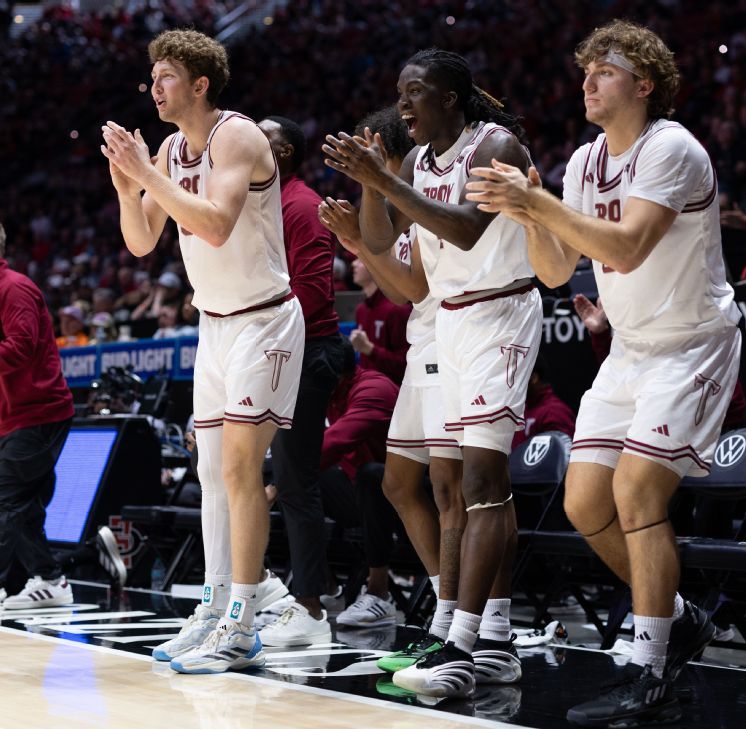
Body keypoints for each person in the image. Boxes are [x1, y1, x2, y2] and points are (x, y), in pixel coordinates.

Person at [467, 21, 741, 723]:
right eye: (584, 71)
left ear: (644, 83)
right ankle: (677, 618)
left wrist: (541, 205)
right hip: (629, 351)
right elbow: (559, 269)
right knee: (587, 504)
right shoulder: (584, 163)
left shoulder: (672, 147)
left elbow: (628, 244)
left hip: (690, 344)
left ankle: (649, 667)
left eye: (606, 71)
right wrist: (533, 217)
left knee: (638, 494)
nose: (588, 82)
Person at [325, 49, 539, 698]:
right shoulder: (418, 162)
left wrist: (382, 183)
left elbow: (470, 231)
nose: (404, 105)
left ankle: (462, 645)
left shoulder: (494, 144)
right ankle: (493, 639)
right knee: (459, 483)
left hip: (500, 313)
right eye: (400, 91)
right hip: (450, 321)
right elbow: (403, 268)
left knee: (478, 479)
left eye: (416, 92)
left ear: (451, 98)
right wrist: (369, 205)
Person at [102, 29, 304, 674]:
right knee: (213, 478)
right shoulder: (167, 147)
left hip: (264, 322)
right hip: (213, 327)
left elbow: (215, 226)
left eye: (164, 77)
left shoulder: (238, 136)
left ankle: (245, 619)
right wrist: (128, 189)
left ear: (199, 84)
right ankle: (216, 606)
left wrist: (148, 178)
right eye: (151, 78)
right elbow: (140, 243)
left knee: (243, 472)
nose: (153, 88)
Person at [317, 105, 465, 675]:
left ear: (390, 151)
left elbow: (408, 289)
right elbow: (396, 284)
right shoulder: (399, 209)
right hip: (426, 342)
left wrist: (362, 238)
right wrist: (359, 243)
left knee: (453, 489)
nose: (361, 161)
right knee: (401, 484)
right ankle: (444, 600)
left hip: (454, 340)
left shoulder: (423, 193)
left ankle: (456, 620)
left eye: (370, 151)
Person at [0, 208, 77, 618]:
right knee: (22, 507)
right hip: (8, 420)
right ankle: (51, 580)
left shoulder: (13, 288)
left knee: (5, 500)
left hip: (38, 413)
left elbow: (21, 347)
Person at [253, 114, 347, 647]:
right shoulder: (262, 205)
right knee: (253, 477)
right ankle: (267, 589)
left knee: (294, 482)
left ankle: (310, 607)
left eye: (261, 140)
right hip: (273, 350)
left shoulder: (302, 206)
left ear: (282, 152)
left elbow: (312, 294)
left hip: (305, 352)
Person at [314, 340, 402, 629]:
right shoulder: (331, 391)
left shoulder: (374, 388)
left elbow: (337, 441)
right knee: (300, 481)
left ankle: (380, 593)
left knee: (372, 475)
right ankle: (323, 590)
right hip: (361, 494)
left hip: (408, 496)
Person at [352, 257, 411, 384]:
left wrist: (370, 349)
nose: (353, 264)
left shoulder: (398, 310)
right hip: (366, 386)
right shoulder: (361, 310)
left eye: (359, 259)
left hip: (392, 391)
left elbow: (406, 365)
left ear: (375, 265)